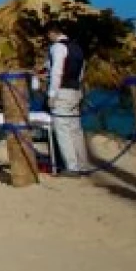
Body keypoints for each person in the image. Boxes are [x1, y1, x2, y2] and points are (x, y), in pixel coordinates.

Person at [44, 26, 93, 175]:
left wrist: (52, 94)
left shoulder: (58, 47)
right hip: (75, 90)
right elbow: (81, 72)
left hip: (62, 91)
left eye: (48, 35)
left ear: (53, 33)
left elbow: (56, 72)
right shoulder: (77, 48)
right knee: (75, 129)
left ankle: (72, 167)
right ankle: (83, 165)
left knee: (63, 129)